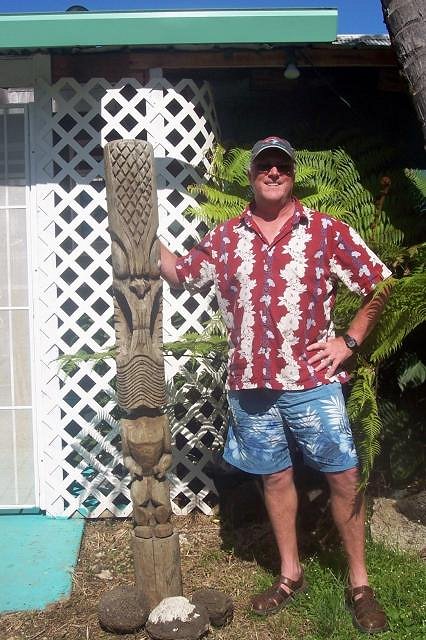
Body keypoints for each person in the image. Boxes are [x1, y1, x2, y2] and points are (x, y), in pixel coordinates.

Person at [160, 136, 390, 634]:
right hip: (251, 387)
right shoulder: (225, 238)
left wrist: (349, 341)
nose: (272, 172)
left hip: (313, 382)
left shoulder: (325, 231)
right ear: (251, 175)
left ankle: (359, 583)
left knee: (343, 475)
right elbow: (180, 273)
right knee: (274, 477)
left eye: (281, 166)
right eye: (264, 165)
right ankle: (291, 574)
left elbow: (377, 283)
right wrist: (139, 230)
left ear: (292, 175)